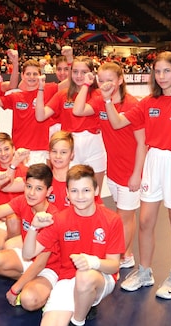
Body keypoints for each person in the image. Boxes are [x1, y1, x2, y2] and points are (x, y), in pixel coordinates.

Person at [103, 51, 171, 300]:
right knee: (146, 221)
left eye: (166, 71)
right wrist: (107, 100)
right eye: (157, 71)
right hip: (153, 163)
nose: (161, 76)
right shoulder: (148, 103)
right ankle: (145, 271)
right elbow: (117, 123)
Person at [23, 165, 124, 326]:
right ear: (67, 193)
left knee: (85, 276)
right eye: (74, 191)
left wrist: (93, 262)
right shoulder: (60, 219)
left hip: (101, 278)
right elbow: (28, 253)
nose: (80, 196)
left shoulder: (112, 220)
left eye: (86, 190)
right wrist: (33, 228)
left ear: (95, 190)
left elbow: (113, 266)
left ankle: (77, 325)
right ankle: (84, 306)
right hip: (68, 279)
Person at [72, 61, 146, 269]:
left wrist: (137, 174)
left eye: (110, 81)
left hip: (130, 169)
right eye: (101, 81)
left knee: (125, 216)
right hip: (113, 168)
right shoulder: (99, 100)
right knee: (120, 214)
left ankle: (126, 255)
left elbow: (140, 141)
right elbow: (78, 110)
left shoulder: (132, 104)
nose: (105, 85)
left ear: (120, 80)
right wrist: (86, 85)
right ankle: (122, 253)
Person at [0, 164, 60, 311]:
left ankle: (49, 289)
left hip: (49, 267)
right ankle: (32, 282)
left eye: (38, 189)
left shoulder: (52, 218)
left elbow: (40, 264)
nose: (31, 193)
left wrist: (15, 289)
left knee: (28, 300)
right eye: (29, 186)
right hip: (28, 258)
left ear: (49, 191)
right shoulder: (22, 201)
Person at [37, 56, 108, 191]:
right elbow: (40, 116)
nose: (79, 76)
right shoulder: (62, 95)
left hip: (94, 145)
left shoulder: (99, 94)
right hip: (70, 146)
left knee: (95, 191)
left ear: (91, 74)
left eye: (84, 72)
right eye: (75, 71)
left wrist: (87, 86)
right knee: (69, 190)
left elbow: (79, 111)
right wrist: (40, 89)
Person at [0, 60, 56, 166]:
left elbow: (68, 83)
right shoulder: (15, 97)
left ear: (41, 76)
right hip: (20, 151)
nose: (31, 77)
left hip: (42, 151)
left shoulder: (49, 90)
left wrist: (69, 61)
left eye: (35, 74)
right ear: (22, 75)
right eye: (28, 74)